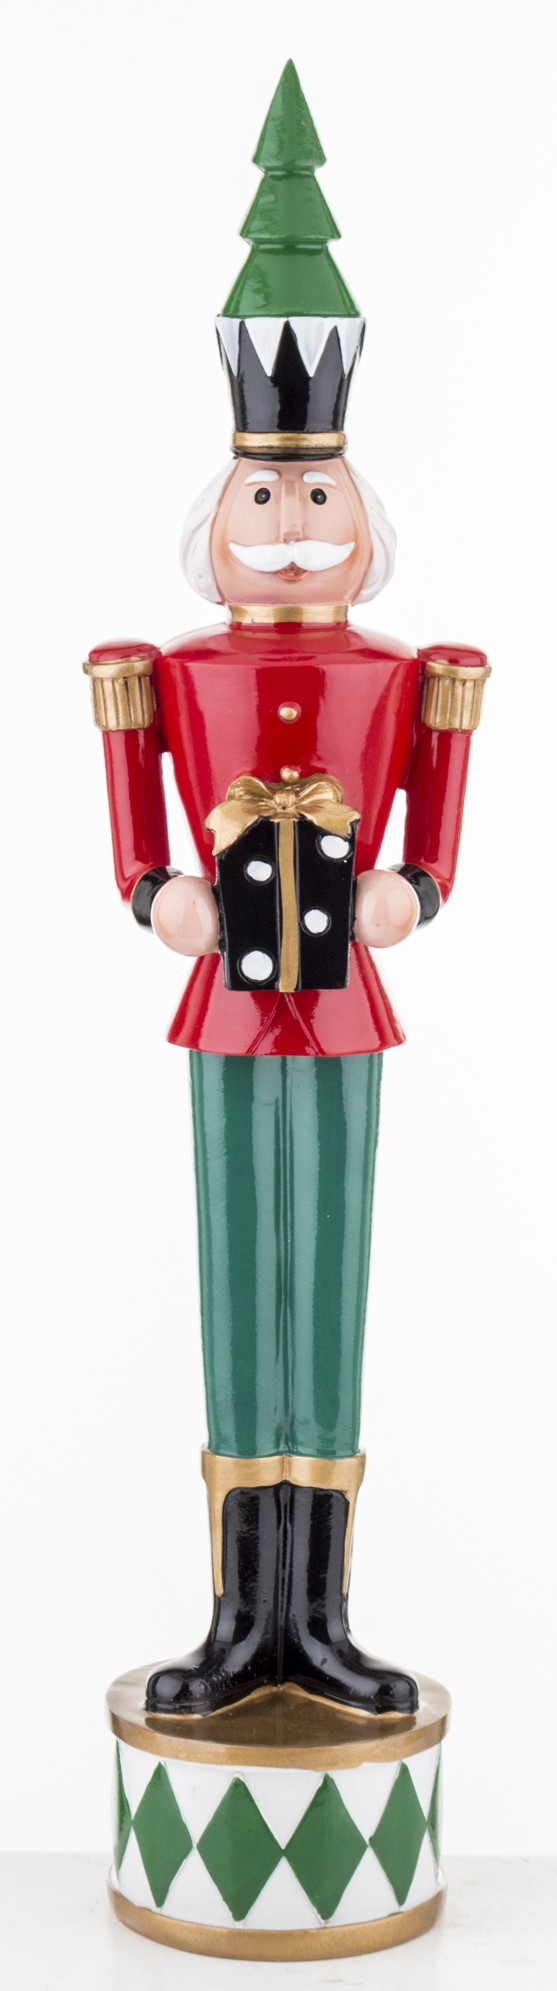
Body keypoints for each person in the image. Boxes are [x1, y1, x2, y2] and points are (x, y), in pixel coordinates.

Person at [85, 62, 489, 1718]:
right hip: (222, 1005)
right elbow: (134, 823)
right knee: (231, 1285)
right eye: (267, 493)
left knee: (326, 1291)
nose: (293, 519)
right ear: (219, 514)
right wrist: (154, 896)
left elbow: (434, 828)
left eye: (316, 493)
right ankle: (232, 1615)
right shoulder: (168, 670)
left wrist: (413, 892)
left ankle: (314, 1617)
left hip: (342, 1005)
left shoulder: (406, 673)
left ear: (361, 517)